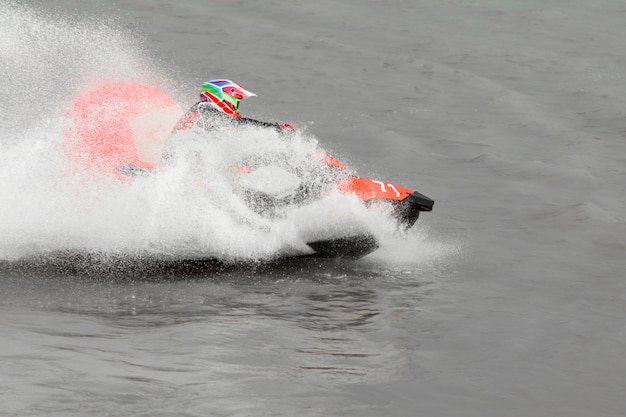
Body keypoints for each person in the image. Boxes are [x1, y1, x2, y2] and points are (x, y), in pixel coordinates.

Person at [172, 79, 294, 134]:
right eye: (237, 101)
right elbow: (237, 123)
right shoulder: (205, 108)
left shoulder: (201, 111)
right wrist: (275, 128)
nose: (236, 108)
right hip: (185, 165)